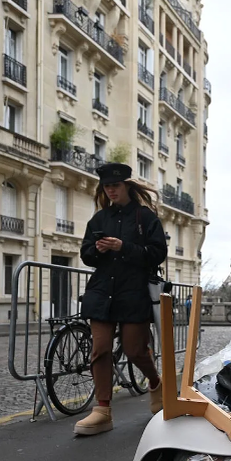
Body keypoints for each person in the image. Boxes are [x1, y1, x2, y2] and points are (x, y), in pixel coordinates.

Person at [75, 163, 168, 436]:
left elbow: (157, 253)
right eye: (106, 186)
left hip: (133, 291)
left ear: (127, 185)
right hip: (103, 291)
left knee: (135, 349)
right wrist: (99, 249)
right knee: (100, 349)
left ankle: (155, 381)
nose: (111, 190)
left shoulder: (146, 218)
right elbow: (86, 254)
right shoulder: (99, 219)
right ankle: (102, 410)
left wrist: (123, 247)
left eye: (115, 185)